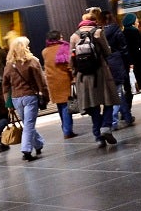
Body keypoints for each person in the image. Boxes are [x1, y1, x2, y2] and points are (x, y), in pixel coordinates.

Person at [71, 8, 119, 146]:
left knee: (93, 106)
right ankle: (105, 126)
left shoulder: (74, 36)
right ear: (94, 21)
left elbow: (71, 60)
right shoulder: (98, 32)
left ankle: (98, 137)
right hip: (101, 73)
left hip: (83, 76)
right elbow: (107, 52)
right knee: (109, 101)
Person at [3, 35, 49, 161]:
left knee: (28, 123)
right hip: (30, 97)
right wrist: (45, 96)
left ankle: (38, 144)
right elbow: (41, 81)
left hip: (16, 99)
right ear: (24, 47)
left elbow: (5, 86)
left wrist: (8, 103)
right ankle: (26, 150)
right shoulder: (33, 61)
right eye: (27, 45)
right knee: (29, 124)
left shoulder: (9, 65)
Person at [42, 29, 79, 139]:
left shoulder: (45, 51)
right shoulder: (64, 48)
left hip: (53, 82)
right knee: (66, 107)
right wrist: (73, 77)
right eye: (61, 37)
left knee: (60, 106)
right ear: (58, 38)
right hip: (64, 81)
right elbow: (69, 65)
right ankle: (67, 131)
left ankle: (65, 128)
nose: (63, 39)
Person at [101, 11, 134, 128]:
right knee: (119, 91)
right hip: (117, 61)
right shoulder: (117, 30)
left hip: (106, 64)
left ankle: (124, 117)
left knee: (115, 92)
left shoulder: (100, 33)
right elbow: (124, 48)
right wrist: (128, 62)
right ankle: (117, 120)